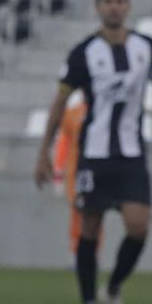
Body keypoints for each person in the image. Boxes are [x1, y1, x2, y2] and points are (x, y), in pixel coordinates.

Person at [36, 0, 152, 304]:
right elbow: (60, 103)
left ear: (129, 5)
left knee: (139, 226)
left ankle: (114, 288)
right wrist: (44, 150)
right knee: (89, 229)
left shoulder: (146, 48)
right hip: (94, 155)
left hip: (131, 154)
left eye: (119, 0)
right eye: (107, 1)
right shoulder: (83, 52)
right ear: (97, 7)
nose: (113, 7)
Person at [51, 95, 103, 258]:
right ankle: (77, 252)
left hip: (98, 170)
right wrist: (58, 171)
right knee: (78, 211)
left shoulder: (104, 111)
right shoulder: (73, 112)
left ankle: (93, 253)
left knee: (96, 212)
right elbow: (64, 142)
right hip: (77, 170)